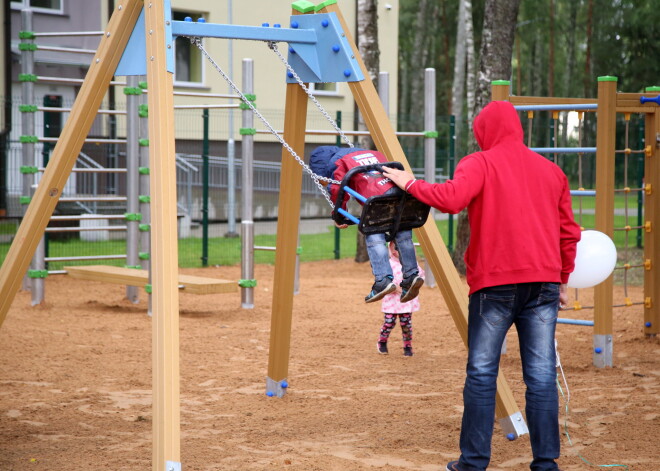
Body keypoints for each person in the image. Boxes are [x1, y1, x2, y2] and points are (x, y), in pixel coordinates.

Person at [382, 100, 582, 471]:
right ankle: (546, 464)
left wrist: (408, 183)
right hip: (544, 285)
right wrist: (564, 280)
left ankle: (473, 463)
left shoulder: (479, 163)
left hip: (495, 285)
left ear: (484, 132)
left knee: (482, 373)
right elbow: (569, 233)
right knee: (540, 375)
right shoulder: (552, 171)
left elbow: (452, 199)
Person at [309, 146, 424, 304]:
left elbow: (336, 187)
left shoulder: (338, 163)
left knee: (374, 234)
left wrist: (339, 213)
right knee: (403, 234)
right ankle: (411, 275)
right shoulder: (373, 153)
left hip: (376, 199)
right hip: (403, 195)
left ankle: (382, 279)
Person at [378, 241, 424, 357]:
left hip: (406, 301)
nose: (396, 251)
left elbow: (420, 276)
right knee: (389, 323)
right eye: (395, 248)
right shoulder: (388, 265)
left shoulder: (412, 265)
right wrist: (393, 287)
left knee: (406, 325)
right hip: (391, 302)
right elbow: (383, 280)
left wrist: (413, 284)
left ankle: (407, 346)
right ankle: (382, 342)